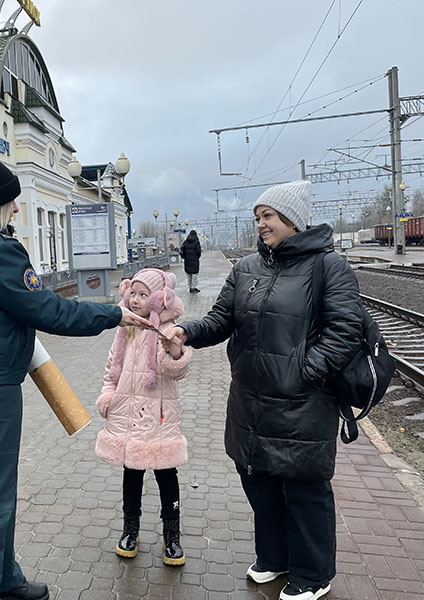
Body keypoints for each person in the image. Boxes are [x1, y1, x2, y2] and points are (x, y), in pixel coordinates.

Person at [0, 154, 150, 600]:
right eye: (12, 202)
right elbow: (50, 310)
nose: (15, 210)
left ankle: (5, 580)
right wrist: (113, 313)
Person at [165, 181, 362, 600]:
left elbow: (346, 331)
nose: (261, 224)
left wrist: (304, 372)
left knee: (304, 487)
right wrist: (187, 331)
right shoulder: (248, 268)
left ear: (292, 219)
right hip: (250, 398)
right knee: (259, 478)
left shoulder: (329, 268)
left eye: (267, 216)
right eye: (258, 217)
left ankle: (313, 574)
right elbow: (221, 318)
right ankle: (274, 557)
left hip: (303, 402)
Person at [94, 268, 193, 566]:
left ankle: (172, 534)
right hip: (127, 414)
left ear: (159, 299)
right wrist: (108, 395)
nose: (135, 300)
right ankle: (130, 529)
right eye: (132, 293)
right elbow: (113, 366)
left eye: (143, 295)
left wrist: (174, 351)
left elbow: (178, 370)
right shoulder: (125, 329)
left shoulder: (169, 329)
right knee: (132, 472)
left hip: (159, 416)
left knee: (166, 474)